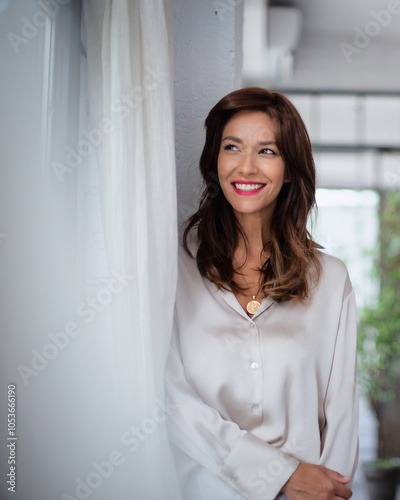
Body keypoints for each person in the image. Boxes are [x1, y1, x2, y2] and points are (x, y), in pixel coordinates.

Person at [165, 87, 359, 500]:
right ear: (215, 161)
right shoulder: (173, 269)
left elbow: (342, 415)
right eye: (232, 147)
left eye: (267, 151)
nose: (246, 167)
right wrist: (278, 474)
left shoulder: (331, 281)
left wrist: (326, 488)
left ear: (290, 169)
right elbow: (169, 401)